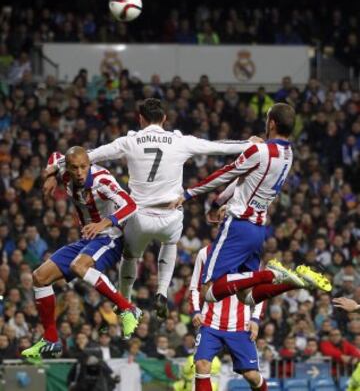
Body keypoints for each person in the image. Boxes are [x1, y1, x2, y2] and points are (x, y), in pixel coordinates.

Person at [43, 98, 260, 319]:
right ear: (164, 119)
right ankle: (162, 291)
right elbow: (217, 146)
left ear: (141, 119)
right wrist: (249, 143)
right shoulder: (180, 141)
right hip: (170, 214)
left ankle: (125, 300)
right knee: (170, 242)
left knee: (130, 257)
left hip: (138, 216)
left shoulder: (129, 142)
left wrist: (53, 170)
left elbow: (89, 156)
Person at [176, 103, 331, 307]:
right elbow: (244, 180)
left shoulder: (259, 151)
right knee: (246, 296)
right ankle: (293, 282)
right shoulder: (288, 154)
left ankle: (270, 274)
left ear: (272, 123)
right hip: (258, 229)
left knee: (209, 291)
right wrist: (219, 202)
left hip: (238, 225)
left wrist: (189, 193)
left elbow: (228, 172)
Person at [21, 147, 141, 361]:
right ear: (67, 167)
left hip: (111, 237)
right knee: (39, 277)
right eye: (74, 167)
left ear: (89, 164)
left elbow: (130, 205)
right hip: (88, 239)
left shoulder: (102, 181)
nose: (79, 172)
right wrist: (50, 176)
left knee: (79, 266)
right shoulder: (64, 171)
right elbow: (55, 155)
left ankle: (127, 308)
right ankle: (50, 340)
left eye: (83, 167)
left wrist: (104, 222)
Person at [190, 245, 266, 391]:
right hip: (210, 323)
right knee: (202, 365)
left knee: (251, 375)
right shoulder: (205, 253)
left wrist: (255, 319)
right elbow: (195, 287)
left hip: (239, 325)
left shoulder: (249, 253)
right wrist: (196, 311)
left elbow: (259, 289)